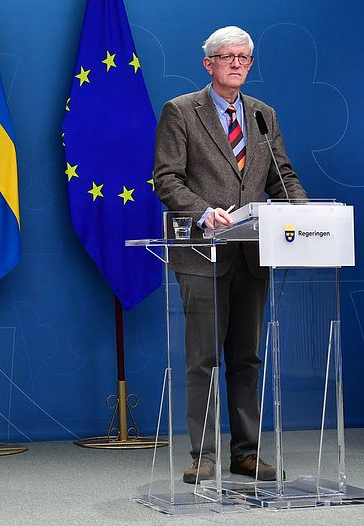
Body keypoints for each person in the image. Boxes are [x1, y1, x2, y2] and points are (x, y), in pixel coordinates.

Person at [153, 26, 306, 484]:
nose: (237, 63)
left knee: (247, 357)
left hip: (252, 255)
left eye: (244, 57)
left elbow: (282, 176)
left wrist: (306, 216)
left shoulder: (263, 116)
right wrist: (204, 213)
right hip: (202, 253)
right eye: (227, 56)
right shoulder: (181, 111)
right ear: (209, 64)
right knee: (204, 358)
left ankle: (246, 452)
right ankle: (203, 456)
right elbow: (167, 179)